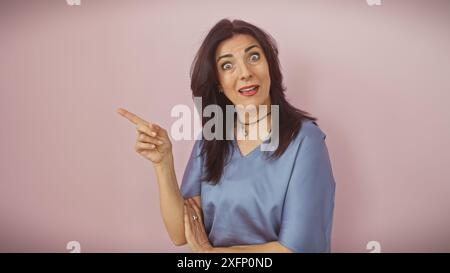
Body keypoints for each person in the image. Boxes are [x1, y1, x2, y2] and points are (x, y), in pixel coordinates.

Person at [117, 18, 336, 253]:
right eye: (227, 66)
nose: (245, 73)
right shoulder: (213, 137)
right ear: (219, 83)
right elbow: (180, 233)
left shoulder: (305, 141)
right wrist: (163, 164)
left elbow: (298, 248)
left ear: (270, 65)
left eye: (254, 57)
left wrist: (213, 254)